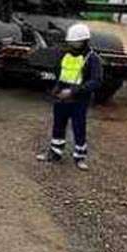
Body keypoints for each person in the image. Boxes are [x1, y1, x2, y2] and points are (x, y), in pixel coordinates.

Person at [37, 23, 103, 170]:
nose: (72, 44)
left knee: (79, 127)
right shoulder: (64, 54)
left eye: (75, 42)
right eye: (71, 42)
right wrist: (54, 89)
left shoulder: (92, 59)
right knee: (58, 125)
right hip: (61, 97)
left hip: (79, 100)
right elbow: (58, 73)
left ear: (84, 41)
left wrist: (74, 91)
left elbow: (96, 81)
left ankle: (80, 157)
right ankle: (55, 152)